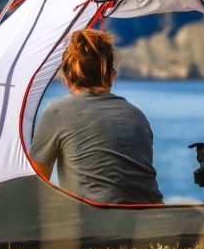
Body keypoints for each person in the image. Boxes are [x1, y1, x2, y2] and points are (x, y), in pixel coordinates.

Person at [30, 29, 163, 204]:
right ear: (111, 77)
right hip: (153, 220)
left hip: (95, 225)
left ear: (67, 80)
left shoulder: (57, 112)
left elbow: (38, 183)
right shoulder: (137, 115)